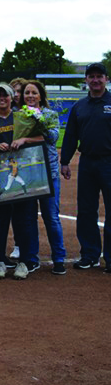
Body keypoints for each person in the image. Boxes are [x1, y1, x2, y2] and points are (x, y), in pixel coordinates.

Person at [0, 83, 39, 280]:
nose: (2, 99)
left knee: (22, 219)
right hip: (0, 173)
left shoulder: (22, 117)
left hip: (21, 167)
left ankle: (23, 262)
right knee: (1, 219)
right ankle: (0, 261)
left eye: (5, 95)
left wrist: (24, 141)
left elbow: (42, 138)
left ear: (11, 97)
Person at [60, 63, 111, 272]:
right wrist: (65, 161)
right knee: (87, 210)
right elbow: (71, 136)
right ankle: (90, 255)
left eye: (100, 76)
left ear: (106, 79)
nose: (96, 80)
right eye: (92, 76)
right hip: (88, 162)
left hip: (110, 162)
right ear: (86, 80)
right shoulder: (79, 106)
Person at [23, 80, 65, 274]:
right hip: (29, 174)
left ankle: (59, 258)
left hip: (48, 173)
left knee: (51, 217)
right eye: (27, 93)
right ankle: (32, 258)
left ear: (40, 96)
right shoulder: (20, 116)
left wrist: (38, 119)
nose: (30, 96)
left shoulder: (49, 114)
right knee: (29, 218)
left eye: (34, 93)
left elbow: (53, 137)